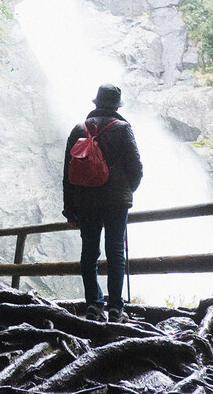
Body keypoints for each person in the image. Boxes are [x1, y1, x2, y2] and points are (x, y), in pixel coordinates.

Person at [62, 84, 143, 322]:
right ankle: (116, 307)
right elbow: (136, 169)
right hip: (116, 202)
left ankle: (94, 305)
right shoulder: (123, 129)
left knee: (89, 251)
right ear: (117, 106)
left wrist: (70, 209)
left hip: (86, 201)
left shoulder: (78, 129)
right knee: (116, 251)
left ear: (95, 103)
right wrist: (126, 192)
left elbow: (67, 175)